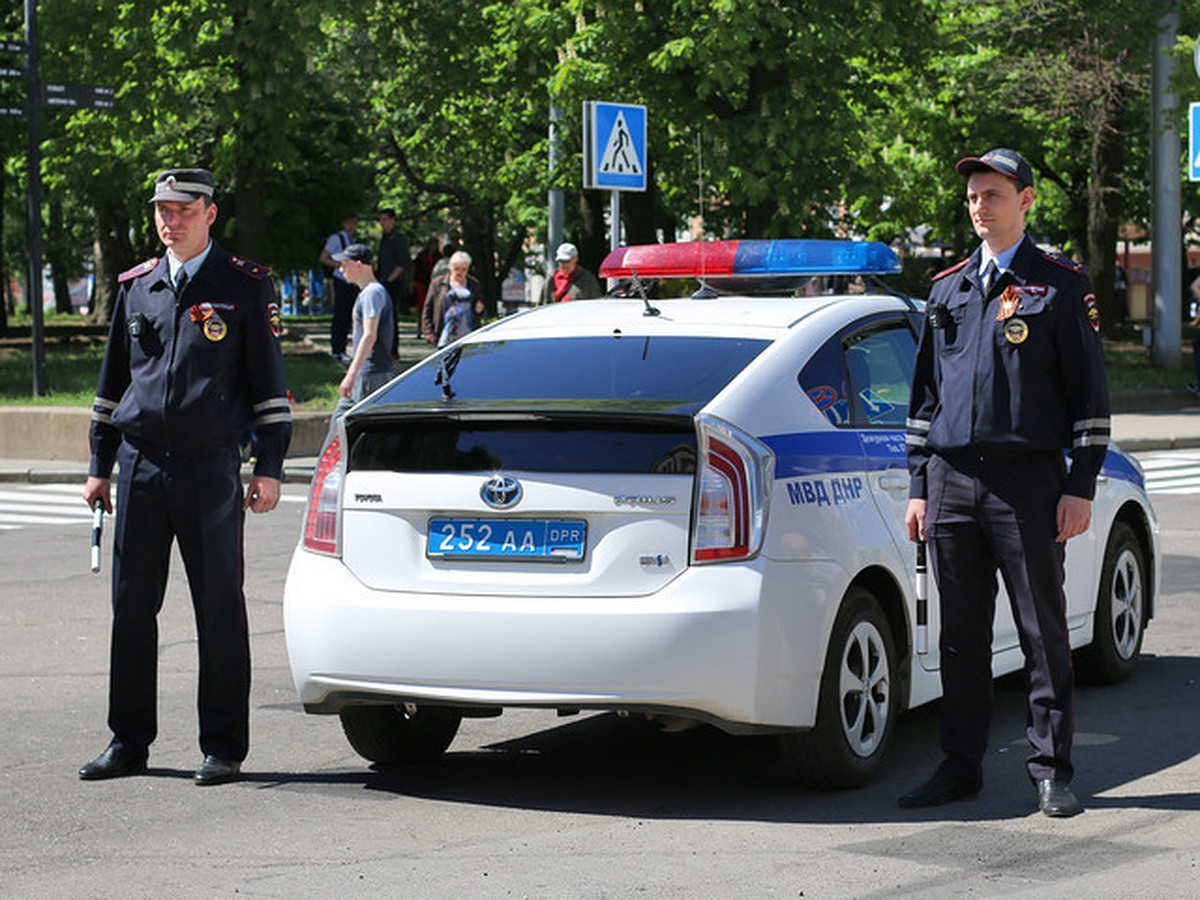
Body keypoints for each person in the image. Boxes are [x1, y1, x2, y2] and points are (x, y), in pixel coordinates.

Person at [901, 148, 1110, 818]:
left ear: (1025, 201)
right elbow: (924, 399)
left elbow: (1089, 396)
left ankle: (1051, 770)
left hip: (1028, 484)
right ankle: (959, 766)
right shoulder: (948, 289)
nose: (979, 207)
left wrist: (1080, 486)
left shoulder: (1058, 285)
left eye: (992, 195)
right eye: (972, 197)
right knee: (959, 636)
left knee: (1041, 632)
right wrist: (918, 485)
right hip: (952, 481)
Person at [79, 168, 292, 787]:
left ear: (209, 213)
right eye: (161, 212)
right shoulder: (138, 287)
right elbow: (111, 383)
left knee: (218, 608)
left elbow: (267, 384)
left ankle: (223, 746)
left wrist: (270, 467)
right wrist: (99, 464)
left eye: (181, 210)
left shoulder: (244, 286)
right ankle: (128, 741)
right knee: (131, 607)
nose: (169, 221)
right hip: (141, 462)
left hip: (209, 466)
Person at [328, 243, 395, 428]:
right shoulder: (370, 292)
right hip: (369, 373)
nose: (341, 269)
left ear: (358, 265)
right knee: (340, 425)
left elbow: (369, 335)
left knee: (351, 428)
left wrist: (351, 374)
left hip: (371, 374)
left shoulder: (372, 293)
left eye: (344, 264)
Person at [420, 249, 484, 346]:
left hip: (468, 331)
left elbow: (479, 308)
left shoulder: (473, 284)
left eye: (464, 269)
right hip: (444, 331)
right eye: (456, 269)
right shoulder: (437, 283)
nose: (460, 272)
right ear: (450, 267)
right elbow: (428, 308)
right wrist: (428, 331)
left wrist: (479, 310)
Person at [319, 213, 360, 362]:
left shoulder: (352, 240)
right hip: (340, 279)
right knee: (341, 315)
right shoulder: (337, 239)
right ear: (344, 223)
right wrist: (338, 265)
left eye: (354, 223)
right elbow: (323, 257)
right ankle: (337, 349)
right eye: (349, 223)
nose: (352, 227)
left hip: (350, 281)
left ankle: (342, 348)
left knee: (349, 315)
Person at [377, 209, 410, 358]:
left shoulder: (398, 239)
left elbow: (402, 262)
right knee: (383, 316)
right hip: (382, 280)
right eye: (381, 220)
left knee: (391, 316)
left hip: (393, 282)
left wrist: (390, 279)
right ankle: (384, 347)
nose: (382, 223)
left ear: (392, 220)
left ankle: (393, 349)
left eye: (385, 219)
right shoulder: (384, 238)